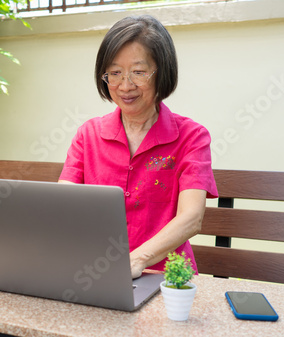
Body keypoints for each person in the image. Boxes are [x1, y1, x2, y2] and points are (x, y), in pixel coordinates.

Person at [59, 15, 218, 279]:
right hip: (98, 274)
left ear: (162, 71)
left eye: (139, 72)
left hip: (167, 279)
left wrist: (137, 259)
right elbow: (64, 202)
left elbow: (192, 217)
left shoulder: (192, 136)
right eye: (115, 73)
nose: (125, 85)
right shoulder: (88, 135)